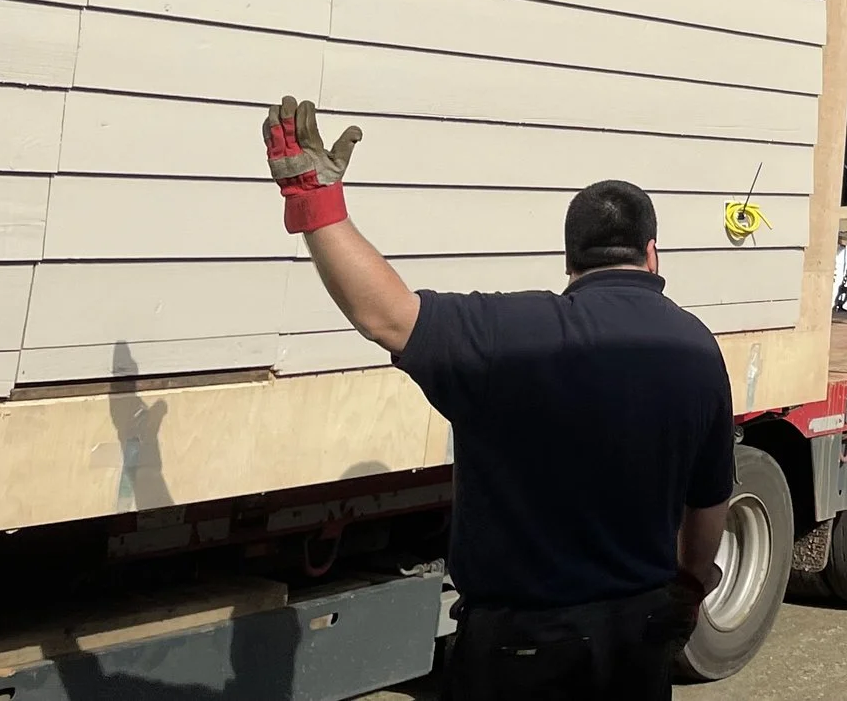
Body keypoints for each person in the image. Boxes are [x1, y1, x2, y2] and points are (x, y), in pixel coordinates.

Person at [262, 96, 737, 701]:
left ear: (570, 260)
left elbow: (386, 317)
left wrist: (315, 201)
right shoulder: (698, 351)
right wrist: (691, 589)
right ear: (651, 254)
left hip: (519, 652)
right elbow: (708, 504)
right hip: (635, 644)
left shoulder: (509, 337)